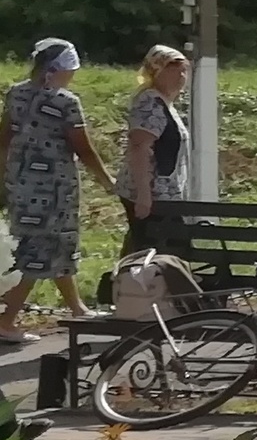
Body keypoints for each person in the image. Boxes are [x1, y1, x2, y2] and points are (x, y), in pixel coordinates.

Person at [0, 40, 115, 343]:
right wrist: (107, 181)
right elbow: (84, 149)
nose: (72, 77)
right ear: (57, 70)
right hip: (54, 188)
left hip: (20, 184)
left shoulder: (16, 93)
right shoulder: (66, 102)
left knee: (57, 243)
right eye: (70, 71)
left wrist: (3, 180)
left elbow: (4, 140)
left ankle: (77, 307)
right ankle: (7, 320)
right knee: (37, 253)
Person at [119, 44, 190, 258]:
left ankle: (126, 286)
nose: (181, 74)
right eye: (173, 68)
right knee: (170, 248)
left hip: (165, 194)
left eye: (183, 68)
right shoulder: (150, 102)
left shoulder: (165, 103)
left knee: (149, 247)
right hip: (154, 194)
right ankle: (139, 288)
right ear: (156, 72)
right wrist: (144, 195)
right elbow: (140, 147)